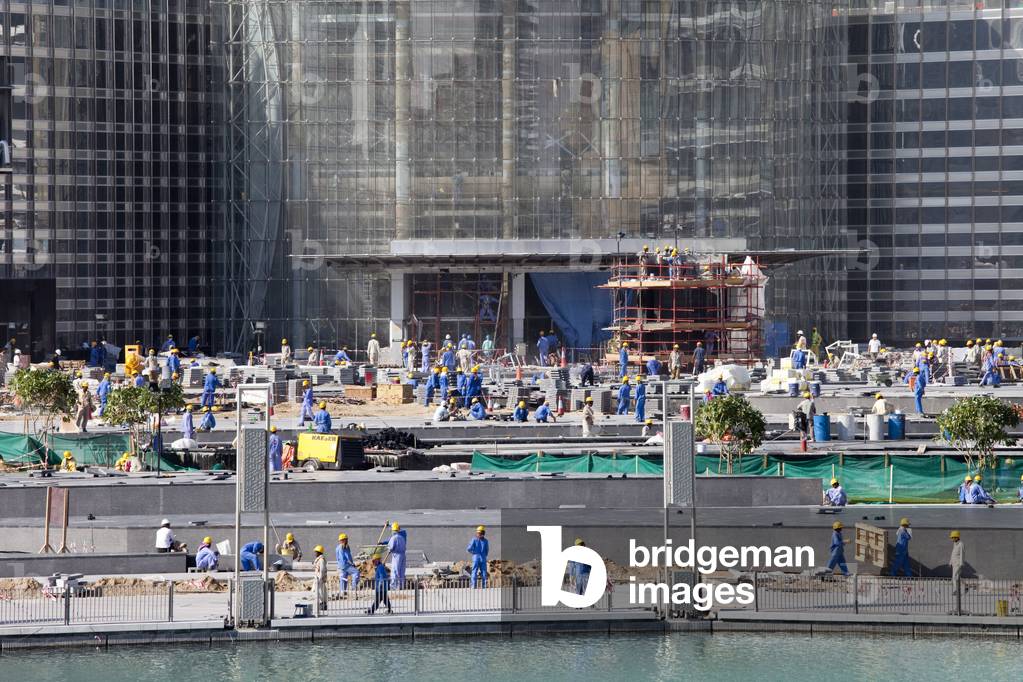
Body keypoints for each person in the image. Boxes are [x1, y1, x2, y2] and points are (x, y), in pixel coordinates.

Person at [386, 522, 407, 589]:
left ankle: (394, 586)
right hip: (403, 555)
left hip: (396, 556)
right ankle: (401, 586)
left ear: (393, 530)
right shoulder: (402, 537)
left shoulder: (394, 538)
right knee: (401, 571)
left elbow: (391, 547)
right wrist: (389, 525)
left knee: (395, 570)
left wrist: (388, 549)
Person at [313, 545, 328, 610]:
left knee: (320, 592)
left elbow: (322, 569)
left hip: (320, 578)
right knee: (319, 591)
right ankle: (322, 604)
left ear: (319, 552)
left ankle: (323, 604)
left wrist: (320, 578)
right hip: (318, 578)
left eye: (316, 552)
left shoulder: (321, 560)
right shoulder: (319, 559)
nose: (315, 553)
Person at [949, 530, 964, 595]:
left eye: (953, 537)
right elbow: (953, 554)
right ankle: (965, 587)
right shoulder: (955, 544)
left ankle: (956, 590)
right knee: (956, 577)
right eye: (952, 537)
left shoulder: (961, 544)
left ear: (957, 537)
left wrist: (961, 564)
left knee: (955, 577)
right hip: (954, 564)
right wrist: (950, 562)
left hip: (958, 564)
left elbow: (962, 554)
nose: (952, 539)